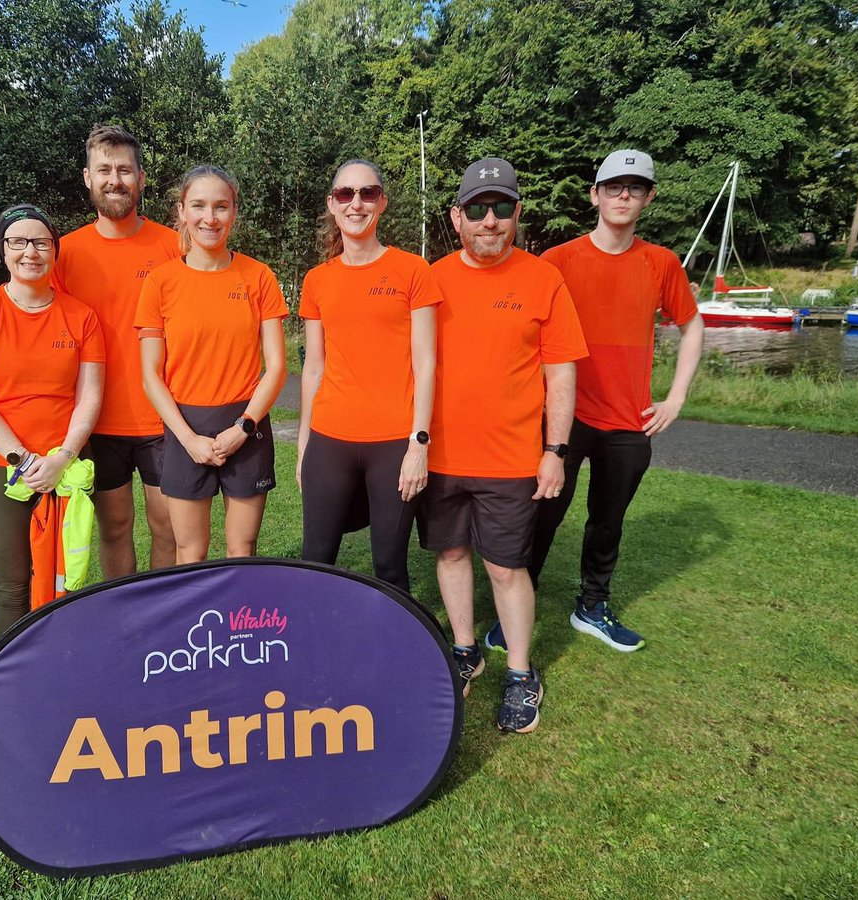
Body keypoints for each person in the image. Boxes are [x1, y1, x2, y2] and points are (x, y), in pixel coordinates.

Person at [484, 150, 703, 655]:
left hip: (629, 421)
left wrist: (676, 397)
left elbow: (693, 325)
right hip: (563, 418)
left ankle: (593, 606)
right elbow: (518, 329)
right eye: (613, 187)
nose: (623, 196)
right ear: (595, 195)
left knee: (608, 521)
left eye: (634, 188)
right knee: (541, 516)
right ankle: (516, 607)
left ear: (648, 197)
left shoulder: (661, 262)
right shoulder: (558, 260)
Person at [419, 158, 587, 734]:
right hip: (440, 455)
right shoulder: (431, 280)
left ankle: (519, 672)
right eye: (476, 209)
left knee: (507, 566)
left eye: (501, 208)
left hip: (513, 457)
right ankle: (465, 648)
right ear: (456, 217)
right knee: (450, 554)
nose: (489, 221)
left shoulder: (543, 279)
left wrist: (555, 451)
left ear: (517, 213)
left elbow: (561, 374)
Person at [0, 204, 104, 641]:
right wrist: (20, 458)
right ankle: (9, 686)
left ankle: (54, 667)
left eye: (40, 242)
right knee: (14, 586)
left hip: (66, 467)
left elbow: (89, 394)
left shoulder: (81, 316)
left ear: (54, 251)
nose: (30, 252)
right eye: (17, 242)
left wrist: (62, 457)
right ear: (3, 250)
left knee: (62, 581)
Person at [296, 159, 439, 592]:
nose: (356, 203)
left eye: (367, 193)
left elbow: (426, 361)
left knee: (389, 563)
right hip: (329, 438)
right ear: (332, 204)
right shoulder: (317, 280)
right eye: (346, 194)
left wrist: (419, 442)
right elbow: (314, 366)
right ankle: (312, 644)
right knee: (316, 558)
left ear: (382, 203)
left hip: (394, 442)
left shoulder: (413, 270)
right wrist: (304, 443)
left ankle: (396, 652)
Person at [136, 165, 287, 564]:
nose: (210, 218)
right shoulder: (160, 281)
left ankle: (240, 626)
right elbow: (151, 375)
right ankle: (195, 627)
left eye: (221, 207)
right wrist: (187, 439)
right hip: (185, 427)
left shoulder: (259, 277)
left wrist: (243, 428)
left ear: (234, 211)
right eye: (199, 206)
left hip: (246, 424)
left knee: (242, 550)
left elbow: (276, 367)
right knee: (190, 551)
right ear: (182, 211)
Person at [52, 125, 178, 578]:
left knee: (167, 527)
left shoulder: (173, 246)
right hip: (97, 420)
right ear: (87, 177)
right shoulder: (65, 253)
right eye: (104, 169)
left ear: (141, 178)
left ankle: (164, 615)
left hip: (165, 415)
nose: (114, 179)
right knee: (115, 527)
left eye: (124, 170)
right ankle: (126, 617)